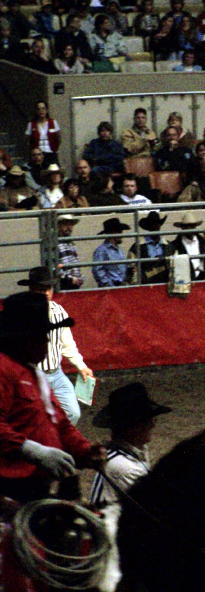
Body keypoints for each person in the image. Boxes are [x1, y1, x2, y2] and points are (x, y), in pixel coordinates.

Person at [0, 291, 104, 502]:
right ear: (24, 339)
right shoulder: (4, 370)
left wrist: (84, 451)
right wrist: (31, 450)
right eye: (42, 336)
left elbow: (58, 423)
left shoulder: (33, 374)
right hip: (9, 489)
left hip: (32, 487)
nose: (47, 342)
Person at [17, 267, 93, 425]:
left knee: (73, 413)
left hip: (56, 374)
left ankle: (55, 443)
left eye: (48, 289)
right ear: (31, 290)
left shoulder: (59, 311)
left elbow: (67, 343)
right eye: (41, 289)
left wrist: (81, 365)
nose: (45, 293)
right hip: (31, 377)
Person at [89, 382, 171, 506]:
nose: (153, 425)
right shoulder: (124, 467)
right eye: (148, 421)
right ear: (132, 428)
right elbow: (153, 507)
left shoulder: (131, 452)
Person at [127, 211, 169, 285]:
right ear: (148, 227)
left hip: (165, 284)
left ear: (160, 225)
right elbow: (131, 268)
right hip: (146, 284)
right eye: (152, 224)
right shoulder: (137, 247)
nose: (155, 227)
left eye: (157, 224)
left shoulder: (168, 246)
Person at [170, 212, 205, 280]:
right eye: (187, 226)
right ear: (182, 228)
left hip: (202, 278)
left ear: (195, 227)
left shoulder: (203, 242)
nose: (189, 228)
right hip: (185, 279)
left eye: (192, 226)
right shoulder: (175, 245)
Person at [93, 217, 130, 287]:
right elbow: (97, 270)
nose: (121, 235)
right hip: (111, 287)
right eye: (119, 232)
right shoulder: (101, 250)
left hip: (120, 286)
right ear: (112, 233)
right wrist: (108, 285)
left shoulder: (119, 250)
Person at [26, 100, 60, 167]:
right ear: (36, 111)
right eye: (39, 109)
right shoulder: (31, 124)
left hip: (51, 153)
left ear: (46, 110)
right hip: (38, 155)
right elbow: (27, 140)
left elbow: (58, 138)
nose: (41, 111)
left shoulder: (53, 122)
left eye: (43, 108)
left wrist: (55, 148)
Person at [55, 214, 83, 290]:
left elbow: (75, 264)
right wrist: (70, 279)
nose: (69, 227)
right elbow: (53, 267)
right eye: (65, 224)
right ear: (58, 226)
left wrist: (78, 278)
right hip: (63, 285)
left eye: (71, 224)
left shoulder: (71, 243)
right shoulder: (54, 244)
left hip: (73, 283)